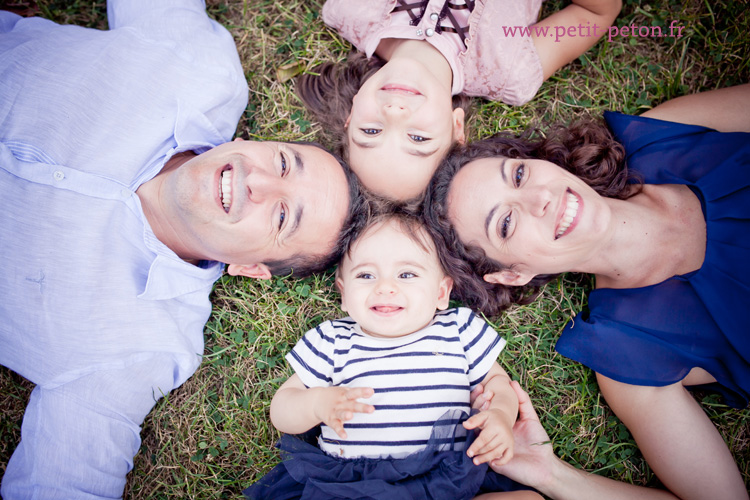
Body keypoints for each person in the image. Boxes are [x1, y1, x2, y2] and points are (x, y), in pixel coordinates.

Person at [0, 2, 364, 498]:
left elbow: (63, 484)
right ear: (250, 139)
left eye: (281, 217)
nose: (256, 181)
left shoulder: (144, 344)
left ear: (251, 268)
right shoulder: (201, 68)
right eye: (282, 162)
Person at [424, 84, 750, 500]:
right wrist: (551, 474)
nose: (541, 199)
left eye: (519, 175)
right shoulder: (629, 354)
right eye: (505, 223)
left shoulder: (665, 132)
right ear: (512, 274)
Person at [243, 212, 540, 500]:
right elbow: (281, 409)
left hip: (452, 476)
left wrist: (501, 415)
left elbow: (499, 385)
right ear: (344, 294)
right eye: (366, 274)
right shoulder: (332, 339)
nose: (385, 287)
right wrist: (316, 404)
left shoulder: (459, 328)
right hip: (355, 483)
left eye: (407, 274)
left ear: (441, 293)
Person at [297, 0, 622, 201]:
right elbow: (595, 11)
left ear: (351, 115)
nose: (394, 113)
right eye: (417, 138)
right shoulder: (510, 71)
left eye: (370, 132)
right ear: (456, 128)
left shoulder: (349, 10)